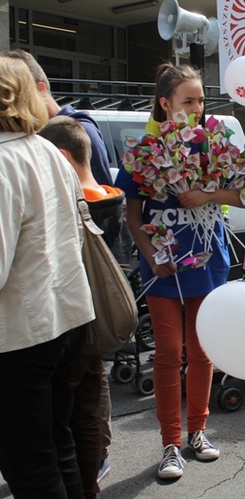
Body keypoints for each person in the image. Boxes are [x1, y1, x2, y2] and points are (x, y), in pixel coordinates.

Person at [115, 62, 245, 480]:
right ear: (165, 104)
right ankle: (169, 443)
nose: (198, 108)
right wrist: (150, 255)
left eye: (201, 99)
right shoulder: (143, 151)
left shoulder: (213, 146)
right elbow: (131, 215)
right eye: (188, 100)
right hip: (162, 271)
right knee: (167, 354)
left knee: (201, 353)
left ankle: (198, 432)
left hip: (207, 264)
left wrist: (207, 195)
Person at [0, 55, 95, 498]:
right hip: (66, 317)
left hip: (21, 332)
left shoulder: (4, 161)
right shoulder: (46, 150)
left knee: (29, 461)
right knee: (59, 445)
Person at [39, 116, 125, 499]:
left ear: (59, 158)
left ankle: (83, 485)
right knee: (89, 410)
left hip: (73, 322)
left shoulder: (74, 203)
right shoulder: (108, 194)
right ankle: (90, 483)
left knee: (68, 418)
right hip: (100, 321)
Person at [5, 49, 112, 186]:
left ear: (41, 89)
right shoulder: (30, 135)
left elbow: (101, 194)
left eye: (18, 96)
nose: (13, 106)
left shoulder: (79, 129)